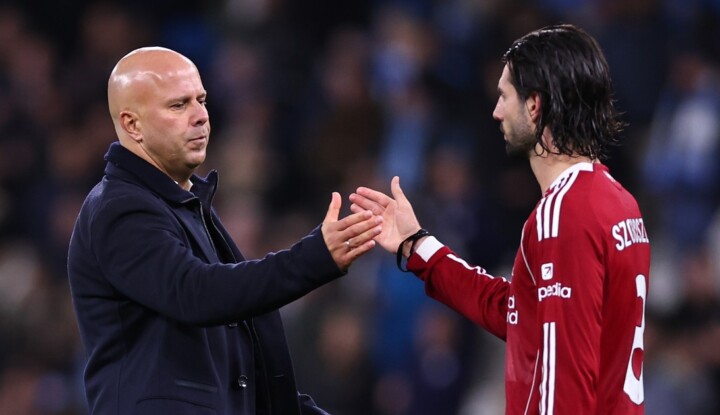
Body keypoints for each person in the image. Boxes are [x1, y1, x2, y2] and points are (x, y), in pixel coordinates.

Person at [350, 24, 651, 414]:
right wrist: (416, 244)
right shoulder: (620, 203)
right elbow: (522, 315)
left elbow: (566, 375)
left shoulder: (564, 213)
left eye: (505, 95)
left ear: (534, 105)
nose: (496, 111)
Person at [67, 46, 382, 415]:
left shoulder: (185, 205)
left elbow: (239, 373)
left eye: (201, 100)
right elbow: (197, 293)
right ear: (132, 124)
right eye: (178, 105)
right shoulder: (120, 208)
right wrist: (313, 257)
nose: (201, 116)